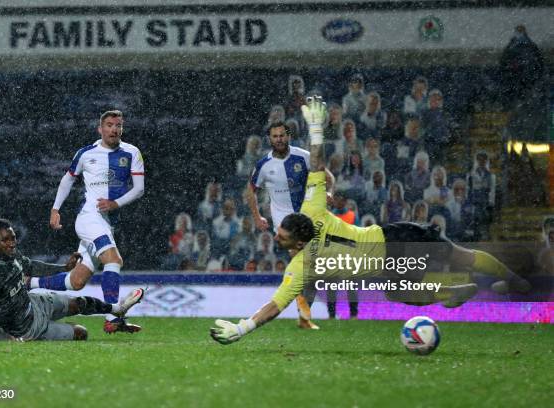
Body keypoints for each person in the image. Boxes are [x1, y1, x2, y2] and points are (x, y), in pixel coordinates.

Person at [210, 97, 530, 345]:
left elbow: (275, 306)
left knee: (459, 258)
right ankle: (454, 292)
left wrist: (242, 328)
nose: (275, 238)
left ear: (297, 242)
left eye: (280, 236)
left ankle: (511, 280)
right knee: (407, 287)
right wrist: (317, 129)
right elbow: (319, 163)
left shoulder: (301, 265)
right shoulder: (312, 209)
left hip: (394, 243)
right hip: (394, 243)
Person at [37, 110, 145, 334]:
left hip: (107, 223)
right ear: (100, 129)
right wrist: (55, 209)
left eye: (118, 125)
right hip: (89, 218)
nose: (114, 129)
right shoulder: (86, 153)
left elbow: (139, 189)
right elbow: (67, 180)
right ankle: (113, 318)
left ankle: (28, 283)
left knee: (76, 281)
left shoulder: (132, 152)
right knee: (114, 260)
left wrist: (116, 204)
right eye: (109, 125)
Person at [0, 219, 145, 341]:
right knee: (81, 334)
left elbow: (32, 267)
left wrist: (64, 268)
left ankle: (117, 310)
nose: (12, 243)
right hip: (25, 328)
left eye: (13, 238)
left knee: (80, 303)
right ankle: (54, 327)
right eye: (6, 240)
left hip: (35, 303)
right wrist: (6, 339)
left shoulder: (12, 255)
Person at [246, 120, 333, 329]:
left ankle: (308, 314)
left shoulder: (302, 156)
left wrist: (329, 192)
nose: (279, 139)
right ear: (270, 139)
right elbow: (250, 190)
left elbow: (328, 176)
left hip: (309, 218)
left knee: (314, 268)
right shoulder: (263, 165)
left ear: (289, 136)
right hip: (285, 224)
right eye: (275, 136)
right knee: (301, 262)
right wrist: (257, 217)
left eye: (282, 135)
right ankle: (304, 316)